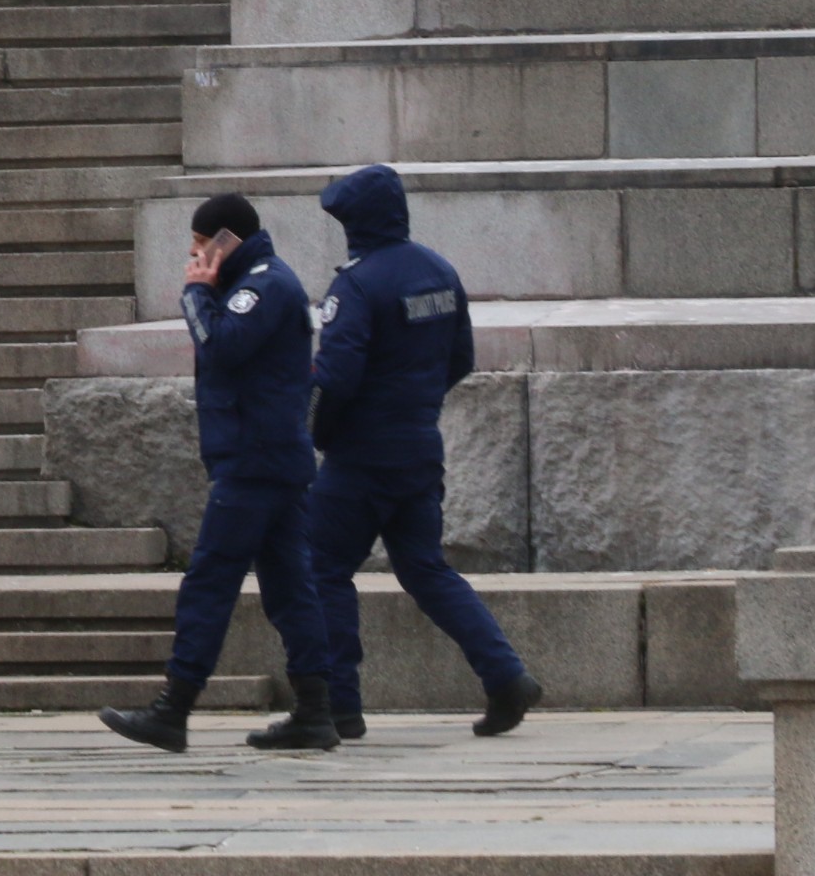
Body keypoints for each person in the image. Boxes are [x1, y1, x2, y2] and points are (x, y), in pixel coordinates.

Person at [308, 164, 542, 741]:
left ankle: (340, 705)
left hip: (361, 457)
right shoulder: (439, 270)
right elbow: (461, 358)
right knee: (425, 569)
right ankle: (505, 676)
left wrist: (321, 434)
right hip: (419, 447)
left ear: (356, 223)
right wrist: (416, 405)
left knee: (322, 569)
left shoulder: (357, 285)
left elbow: (336, 378)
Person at [100, 193, 340, 754]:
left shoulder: (263, 285)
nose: (194, 255)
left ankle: (174, 708)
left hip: (255, 461)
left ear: (228, 241)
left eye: (201, 245)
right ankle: (315, 710)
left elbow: (221, 345)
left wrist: (194, 293)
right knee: (289, 587)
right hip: (268, 458)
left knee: (210, 579)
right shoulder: (253, 283)